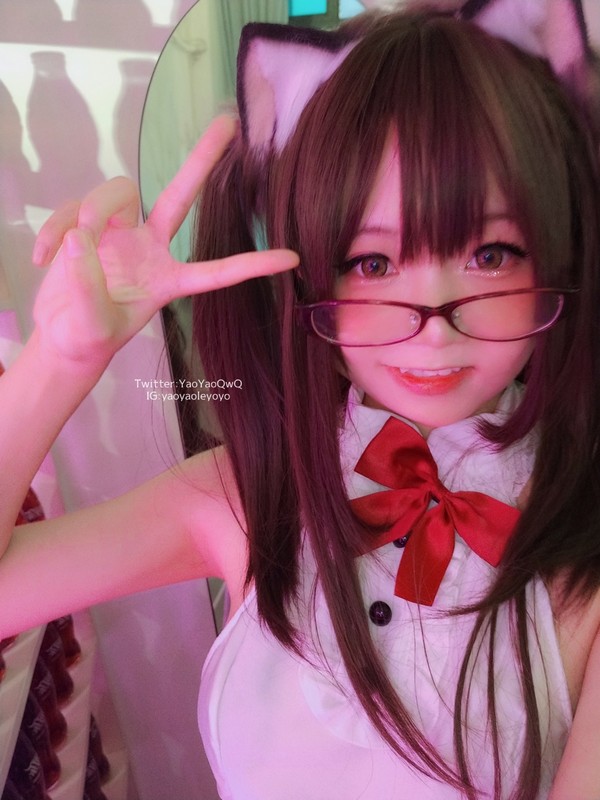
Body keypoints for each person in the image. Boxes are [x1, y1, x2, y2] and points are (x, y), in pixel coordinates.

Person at [1, 2, 600, 798]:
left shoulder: (584, 547)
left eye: (490, 253)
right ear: (306, 271)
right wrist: (62, 358)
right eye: (372, 263)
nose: (433, 326)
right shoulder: (250, 497)